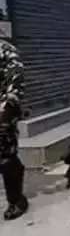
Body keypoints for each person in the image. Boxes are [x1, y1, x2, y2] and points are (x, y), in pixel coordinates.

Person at [0, 39, 28, 221]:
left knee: (6, 156)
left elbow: (16, 78)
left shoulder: (5, 50)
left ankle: (16, 200)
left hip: (2, 111)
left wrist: (8, 106)